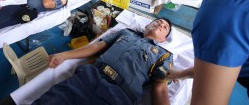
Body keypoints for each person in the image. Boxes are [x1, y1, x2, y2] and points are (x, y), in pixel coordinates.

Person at [28, 18, 173, 105]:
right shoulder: (126, 32)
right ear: (147, 25)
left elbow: (160, 87)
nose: (160, 25)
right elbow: (97, 46)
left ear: (164, 39)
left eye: (165, 27)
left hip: (119, 95)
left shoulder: (163, 55)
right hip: (88, 78)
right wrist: (65, 55)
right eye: (157, 22)